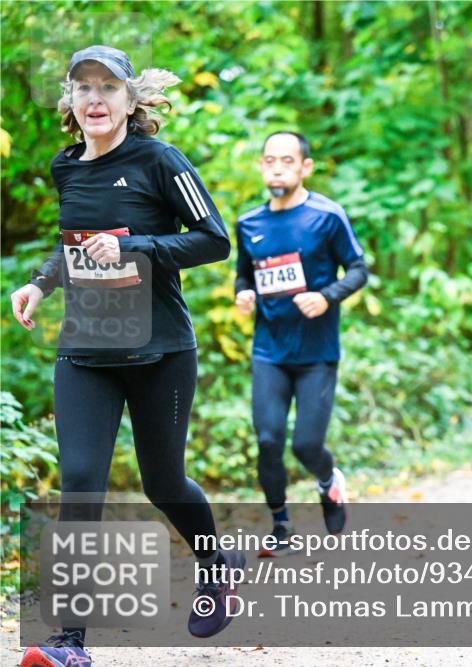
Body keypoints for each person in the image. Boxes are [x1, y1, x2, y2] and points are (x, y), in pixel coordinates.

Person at [10, 45, 243, 667]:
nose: (95, 99)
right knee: (81, 483)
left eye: (108, 88)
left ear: (130, 99)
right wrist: (39, 281)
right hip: (86, 349)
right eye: (83, 87)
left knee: (163, 481)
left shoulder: (160, 161)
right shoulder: (67, 168)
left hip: (161, 348)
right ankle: (69, 644)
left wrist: (136, 246)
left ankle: (216, 564)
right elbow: (77, 246)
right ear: (70, 100)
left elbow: (213, 240)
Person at [235, 131, 367, 555]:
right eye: (270, 160)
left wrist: (326, 296)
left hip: (317, 354)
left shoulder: (327, 217)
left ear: (304, 167)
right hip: (269, 351)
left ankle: (328, 481)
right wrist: (244, 292)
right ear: (261, 165)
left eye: (287, 161)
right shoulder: (249, 223)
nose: (277, 168)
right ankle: (280, 524)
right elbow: (245, 273)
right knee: (269, 439)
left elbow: (358, 269)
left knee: (306, 445)